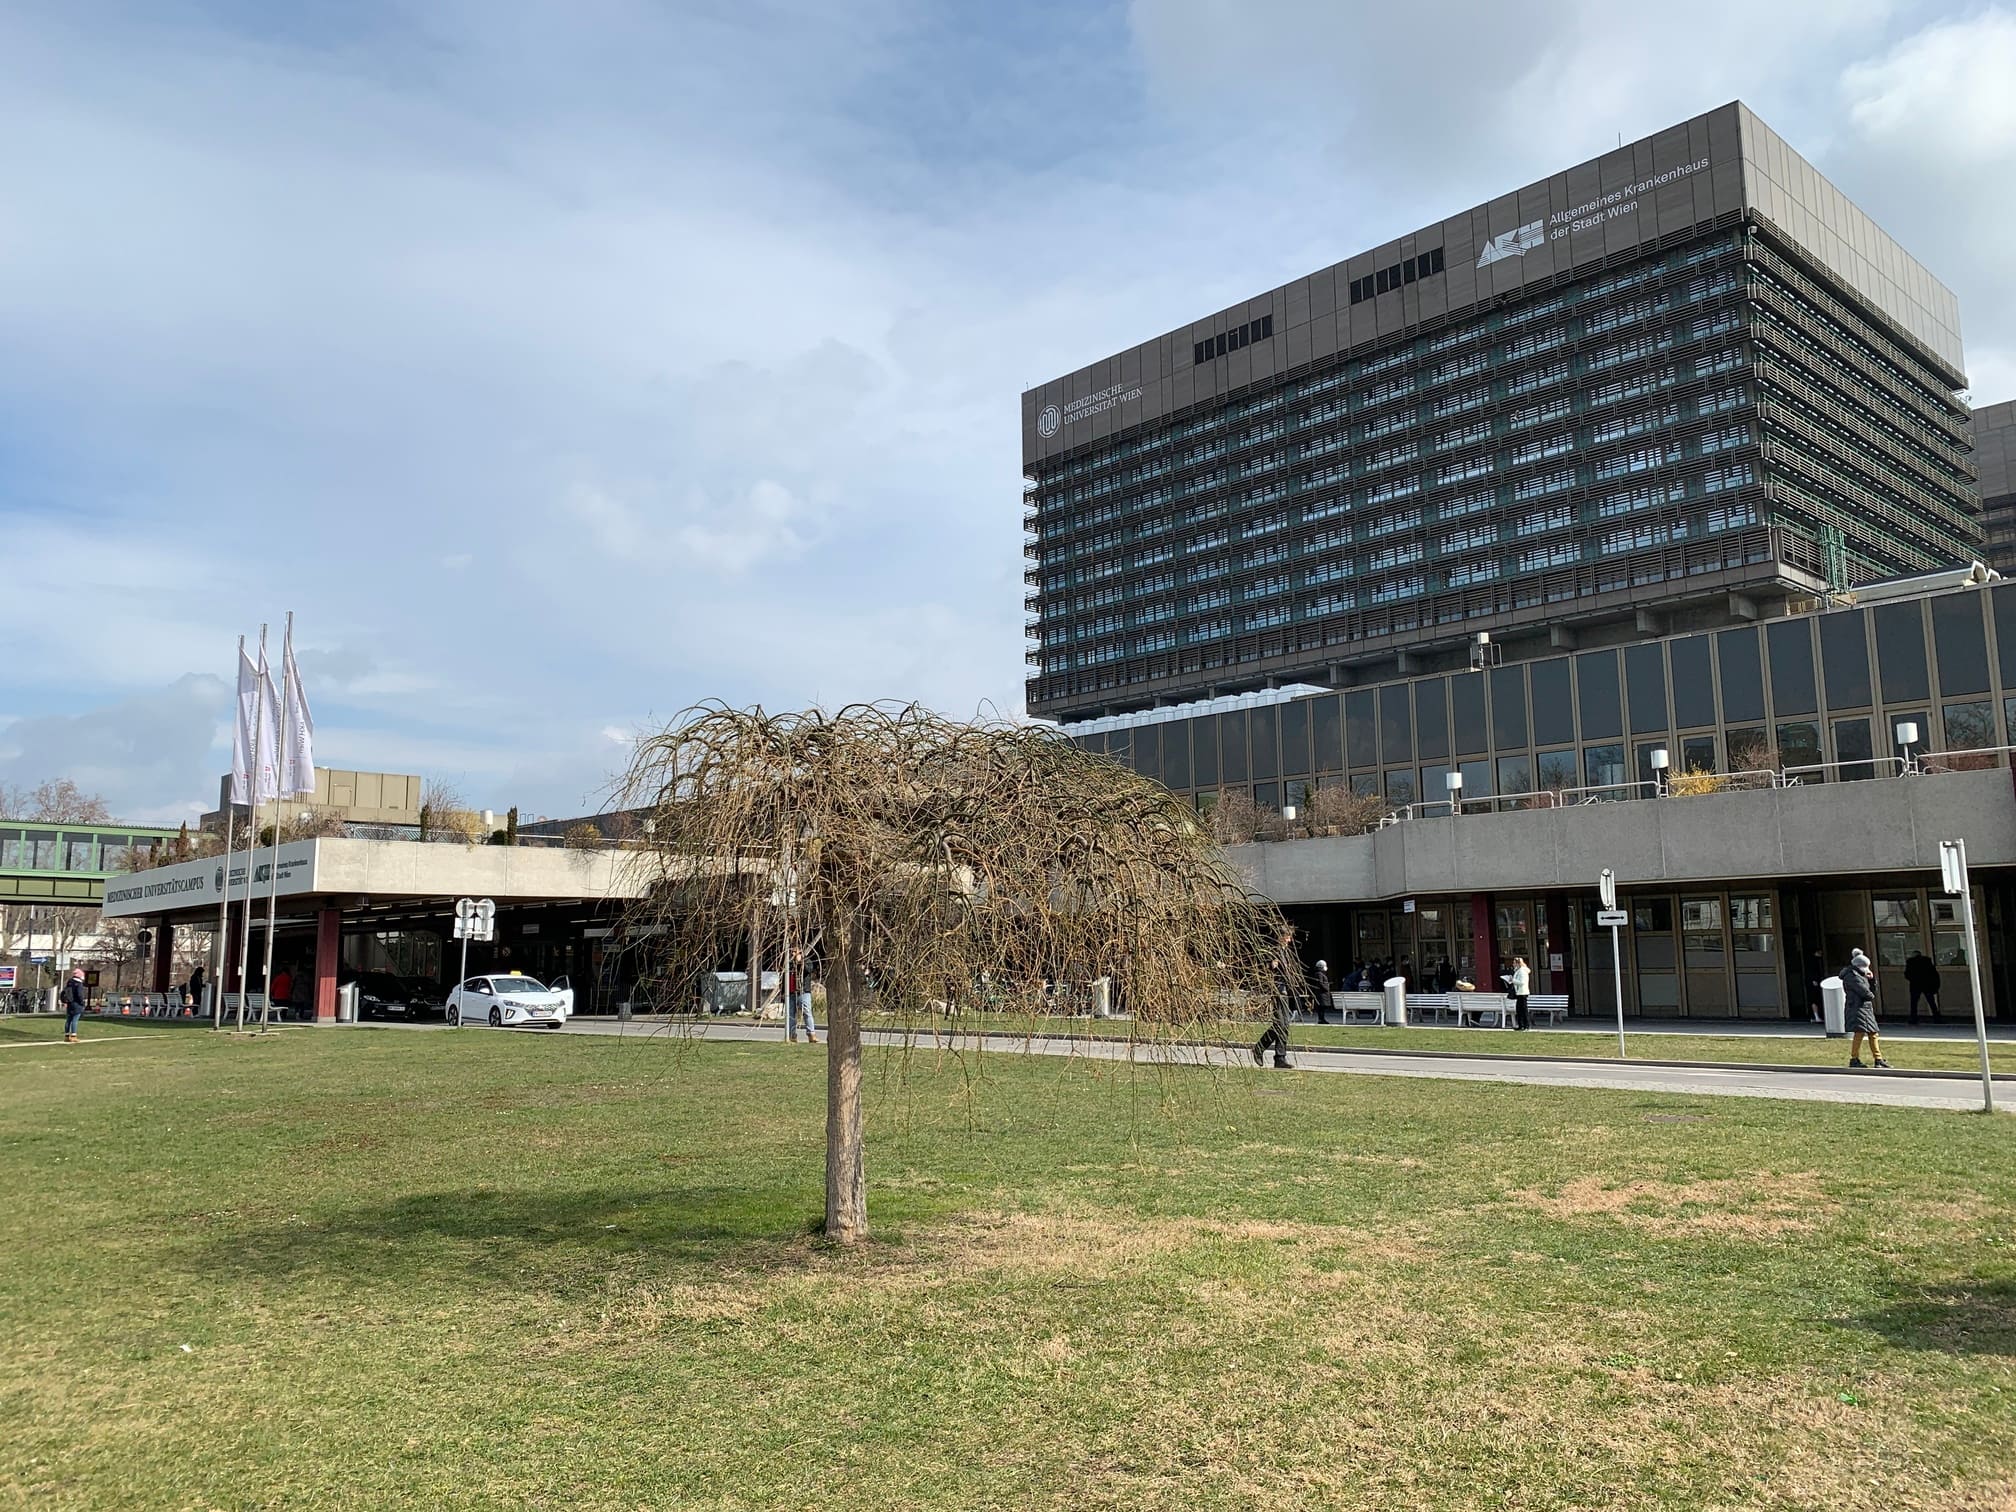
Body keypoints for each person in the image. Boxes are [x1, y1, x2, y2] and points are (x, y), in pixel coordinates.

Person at [1253, 929, 1306, 1069]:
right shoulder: (1273, 950)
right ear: (1281, 937)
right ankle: (1260, 1048)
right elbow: (1264, 967)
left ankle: (1280, 1058)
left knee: (1284, 1024)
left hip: (1285, 991)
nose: (1290, 940)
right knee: (1280, 1025)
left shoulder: (1286, 952)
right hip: (1277, 990)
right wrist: (1271, 965)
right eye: (1288, 937)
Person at [1844, 948, 1890, 1069]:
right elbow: (1866, 993)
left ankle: (1878, 1059)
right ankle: (1854, 1058)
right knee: (1859, 1033)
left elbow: (1871, 991)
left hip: (1864, 1008)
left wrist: (1872, 980)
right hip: (1857, 1008)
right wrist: (1870, 991)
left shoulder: (1860, 975)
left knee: (1872, 1033)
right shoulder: (1852, 977)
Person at [786, 948, 818, 1044]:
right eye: (791, 951)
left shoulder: (807, 961)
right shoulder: (789, 963)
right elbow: (784, 976)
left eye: (795, 952)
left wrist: (800, 962)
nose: (793, 953)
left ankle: (811, 1034)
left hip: (803, 991)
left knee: (807, 1012)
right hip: (791, 993)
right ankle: (792, 1035)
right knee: (791, 1014)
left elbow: (808, 970)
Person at [1903, 949, 1941, 1024]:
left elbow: (1907, 974)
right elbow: (1933, 973)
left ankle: (1914, 1018)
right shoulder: (1927, 961)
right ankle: (1937, 1018)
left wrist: (1912, 979)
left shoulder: (1911, 962)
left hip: (1915, 984)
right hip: (1926, 984)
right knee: (1931, 1001)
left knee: (1914, 1003)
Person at [62, 967, 88, 1043]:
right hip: (77, 1003)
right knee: (75, 1020)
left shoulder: (69, 982)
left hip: (70, 1002)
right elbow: (80, 995)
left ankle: (67, 1036)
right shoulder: (79, 984)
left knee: (68, 1020)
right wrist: (82, 1003)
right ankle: (73, 1036)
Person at [1508, 954, 1532, 1030]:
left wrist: (1513, 980)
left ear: (1518, 963)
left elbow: (1522, 982)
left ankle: (1526, 1025)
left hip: (1523, 992)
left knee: (1523, 1009)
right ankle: (1521, 1025)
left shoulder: (1522, 971)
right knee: (1519, 1009)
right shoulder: (1517, 971)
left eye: (1514, 963)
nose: (1513, 964)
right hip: (1519, 992)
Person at [1310, 959, 1332, 1024]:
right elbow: (1320, 983)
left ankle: (1322, 1019)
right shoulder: (1319, 974)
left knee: (1322, 1007)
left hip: (1322, 993)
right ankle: (1321, 1019)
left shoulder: (1320, 974)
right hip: (1322, 993)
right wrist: (1326, 988)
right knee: (1321, 1007)